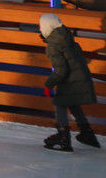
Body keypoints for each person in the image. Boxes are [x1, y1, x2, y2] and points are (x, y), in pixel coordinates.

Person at [38, 13, 100, 151]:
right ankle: (87, 133)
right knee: (71, 102)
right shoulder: (67, 38)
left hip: (71, 79)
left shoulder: (53, 46)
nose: (40, 29)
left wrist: (48, 85)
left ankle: (64, 137)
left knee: (60, 103)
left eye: (40, 26)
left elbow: (61, 71)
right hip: (81, 77)